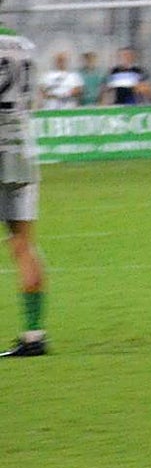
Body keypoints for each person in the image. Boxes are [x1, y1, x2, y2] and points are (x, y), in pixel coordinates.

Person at [0, 24, 49, 357]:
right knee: (23, 244)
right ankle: (34, 336)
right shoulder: (23, 43)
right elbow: (36, 98)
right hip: (23, 150)